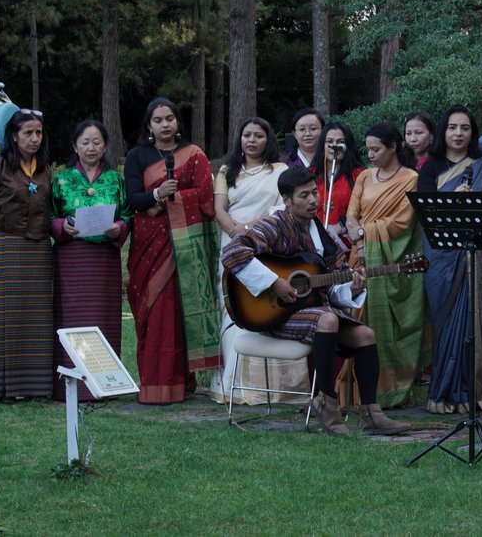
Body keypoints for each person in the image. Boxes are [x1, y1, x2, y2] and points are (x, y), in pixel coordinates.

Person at [221, 166, 412, 436]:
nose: (313, 200)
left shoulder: (321, 233)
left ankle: (371, 412)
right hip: (270, 313)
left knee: (366, 335)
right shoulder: (273, 224)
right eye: (304, 196)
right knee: (328, 318)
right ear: (287, 200)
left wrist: (352, 286)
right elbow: (233, 251)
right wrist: (274, 282)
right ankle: (326, 402)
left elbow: (333, 281)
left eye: (314, 193)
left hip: (312, 311)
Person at [124, 97, 220, 404]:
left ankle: (180, 382)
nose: (165, 124)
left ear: (178, 122)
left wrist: (172, 200)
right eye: (158, 120)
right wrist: (155, 194)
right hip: (148, 244)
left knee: (177, 312)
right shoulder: (137, 156)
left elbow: (206, 196)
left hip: (184, 246)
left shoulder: (194, 155)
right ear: (149, 126)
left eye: (170, 118)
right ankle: (153, 382)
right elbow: (132, 200)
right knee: (151, 312)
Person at [419, 105, 482, 413]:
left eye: (464, 128)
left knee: (472, 322)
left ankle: (472, 389)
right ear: (444, 132)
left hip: (475, 258)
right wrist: (451, 200)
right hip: (440, 257)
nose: (458, 134)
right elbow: (425, 212)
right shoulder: (431, 167)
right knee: (444, 323)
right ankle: (442, 392)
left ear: (472, 133)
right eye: (452, 127)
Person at [208, 117, 291, 404]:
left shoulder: (279, 170)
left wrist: (250, 229)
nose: (252, 140)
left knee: (266, 305)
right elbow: (218, 208)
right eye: (247, 135)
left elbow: (281, 208)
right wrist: (235, 232)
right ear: (239, 140)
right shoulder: (226, 170)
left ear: (268, 140)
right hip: (231, 246)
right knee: (233, 307)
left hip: (266, 245)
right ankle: (232, 384)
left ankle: (266, 388)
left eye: (258, 135)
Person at [346, 122, 430, 407]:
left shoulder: (410, 178)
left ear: (393, 148)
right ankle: (360, 393)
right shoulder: (364, 178)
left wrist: (364, 235)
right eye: (367, 149)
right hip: (360, 258)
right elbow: (351, 217)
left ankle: (393, 392)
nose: (370, 154)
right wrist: (360, 245)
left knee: (392, 330)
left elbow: (402, 222)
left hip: (394, 262)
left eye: (376, 149)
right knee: (357, 321)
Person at [50, 119, 131, 402]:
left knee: (103, 318)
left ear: (105, 145)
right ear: (75, 145)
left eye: (97, 142)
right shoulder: (61, 178)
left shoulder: (115, 179)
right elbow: (48, 216)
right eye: (85, 142)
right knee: (72, 319)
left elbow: (128, 214)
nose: (91, 148)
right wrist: (61, 226)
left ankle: (104, 386)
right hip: (71, 260)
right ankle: (69, 386)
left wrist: (118, 229)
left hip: (104, 260)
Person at [0, 110, 54, 401]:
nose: (34, 139)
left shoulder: (46, 171)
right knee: (3, 318)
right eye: (28, 133)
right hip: (5, 248)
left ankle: (34, 388)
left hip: (38, 251)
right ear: (14, 135)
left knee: (36, 319)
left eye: (38, 133)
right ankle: (0, 388)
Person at [313, 121, 365, 235]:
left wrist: (342, 225)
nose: (334, 146)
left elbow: (364, 208)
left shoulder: (359, 175)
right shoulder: (311, 173)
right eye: (330, 142)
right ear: (323, 145)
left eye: (340, 142)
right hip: (314, 237)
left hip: (347, 239)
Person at [282, 108, 325, 172]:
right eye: (302, 129)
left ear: (323, 130)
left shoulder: (330, 159)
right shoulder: (284, 163)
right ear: (294, 134)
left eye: (313, 128)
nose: (307, 134)